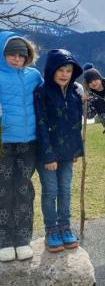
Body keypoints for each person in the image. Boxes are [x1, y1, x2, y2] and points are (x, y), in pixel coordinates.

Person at [35, 49, 84, 253]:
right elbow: (41, 124)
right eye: (60, 70)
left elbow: (75, 125)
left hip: (67, 153)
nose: (65, 74)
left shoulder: (74, 93)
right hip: (48, 154)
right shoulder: (42, 92)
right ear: (51, 70)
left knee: (65, 190)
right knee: (51, 192)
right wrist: (48, 155)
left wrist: (75, 151)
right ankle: (52, 230)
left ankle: (65, 227)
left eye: (68, 70)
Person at [0, 32, 42, 262]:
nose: (17, 59)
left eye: (21, 55)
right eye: (11, 55)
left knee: (24, 189)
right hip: (3, 142)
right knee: (3, 190)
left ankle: (23, 239)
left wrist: (75, 90)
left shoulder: (34, 75)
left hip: (29, 141)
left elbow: (49, 94)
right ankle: (4, 241)